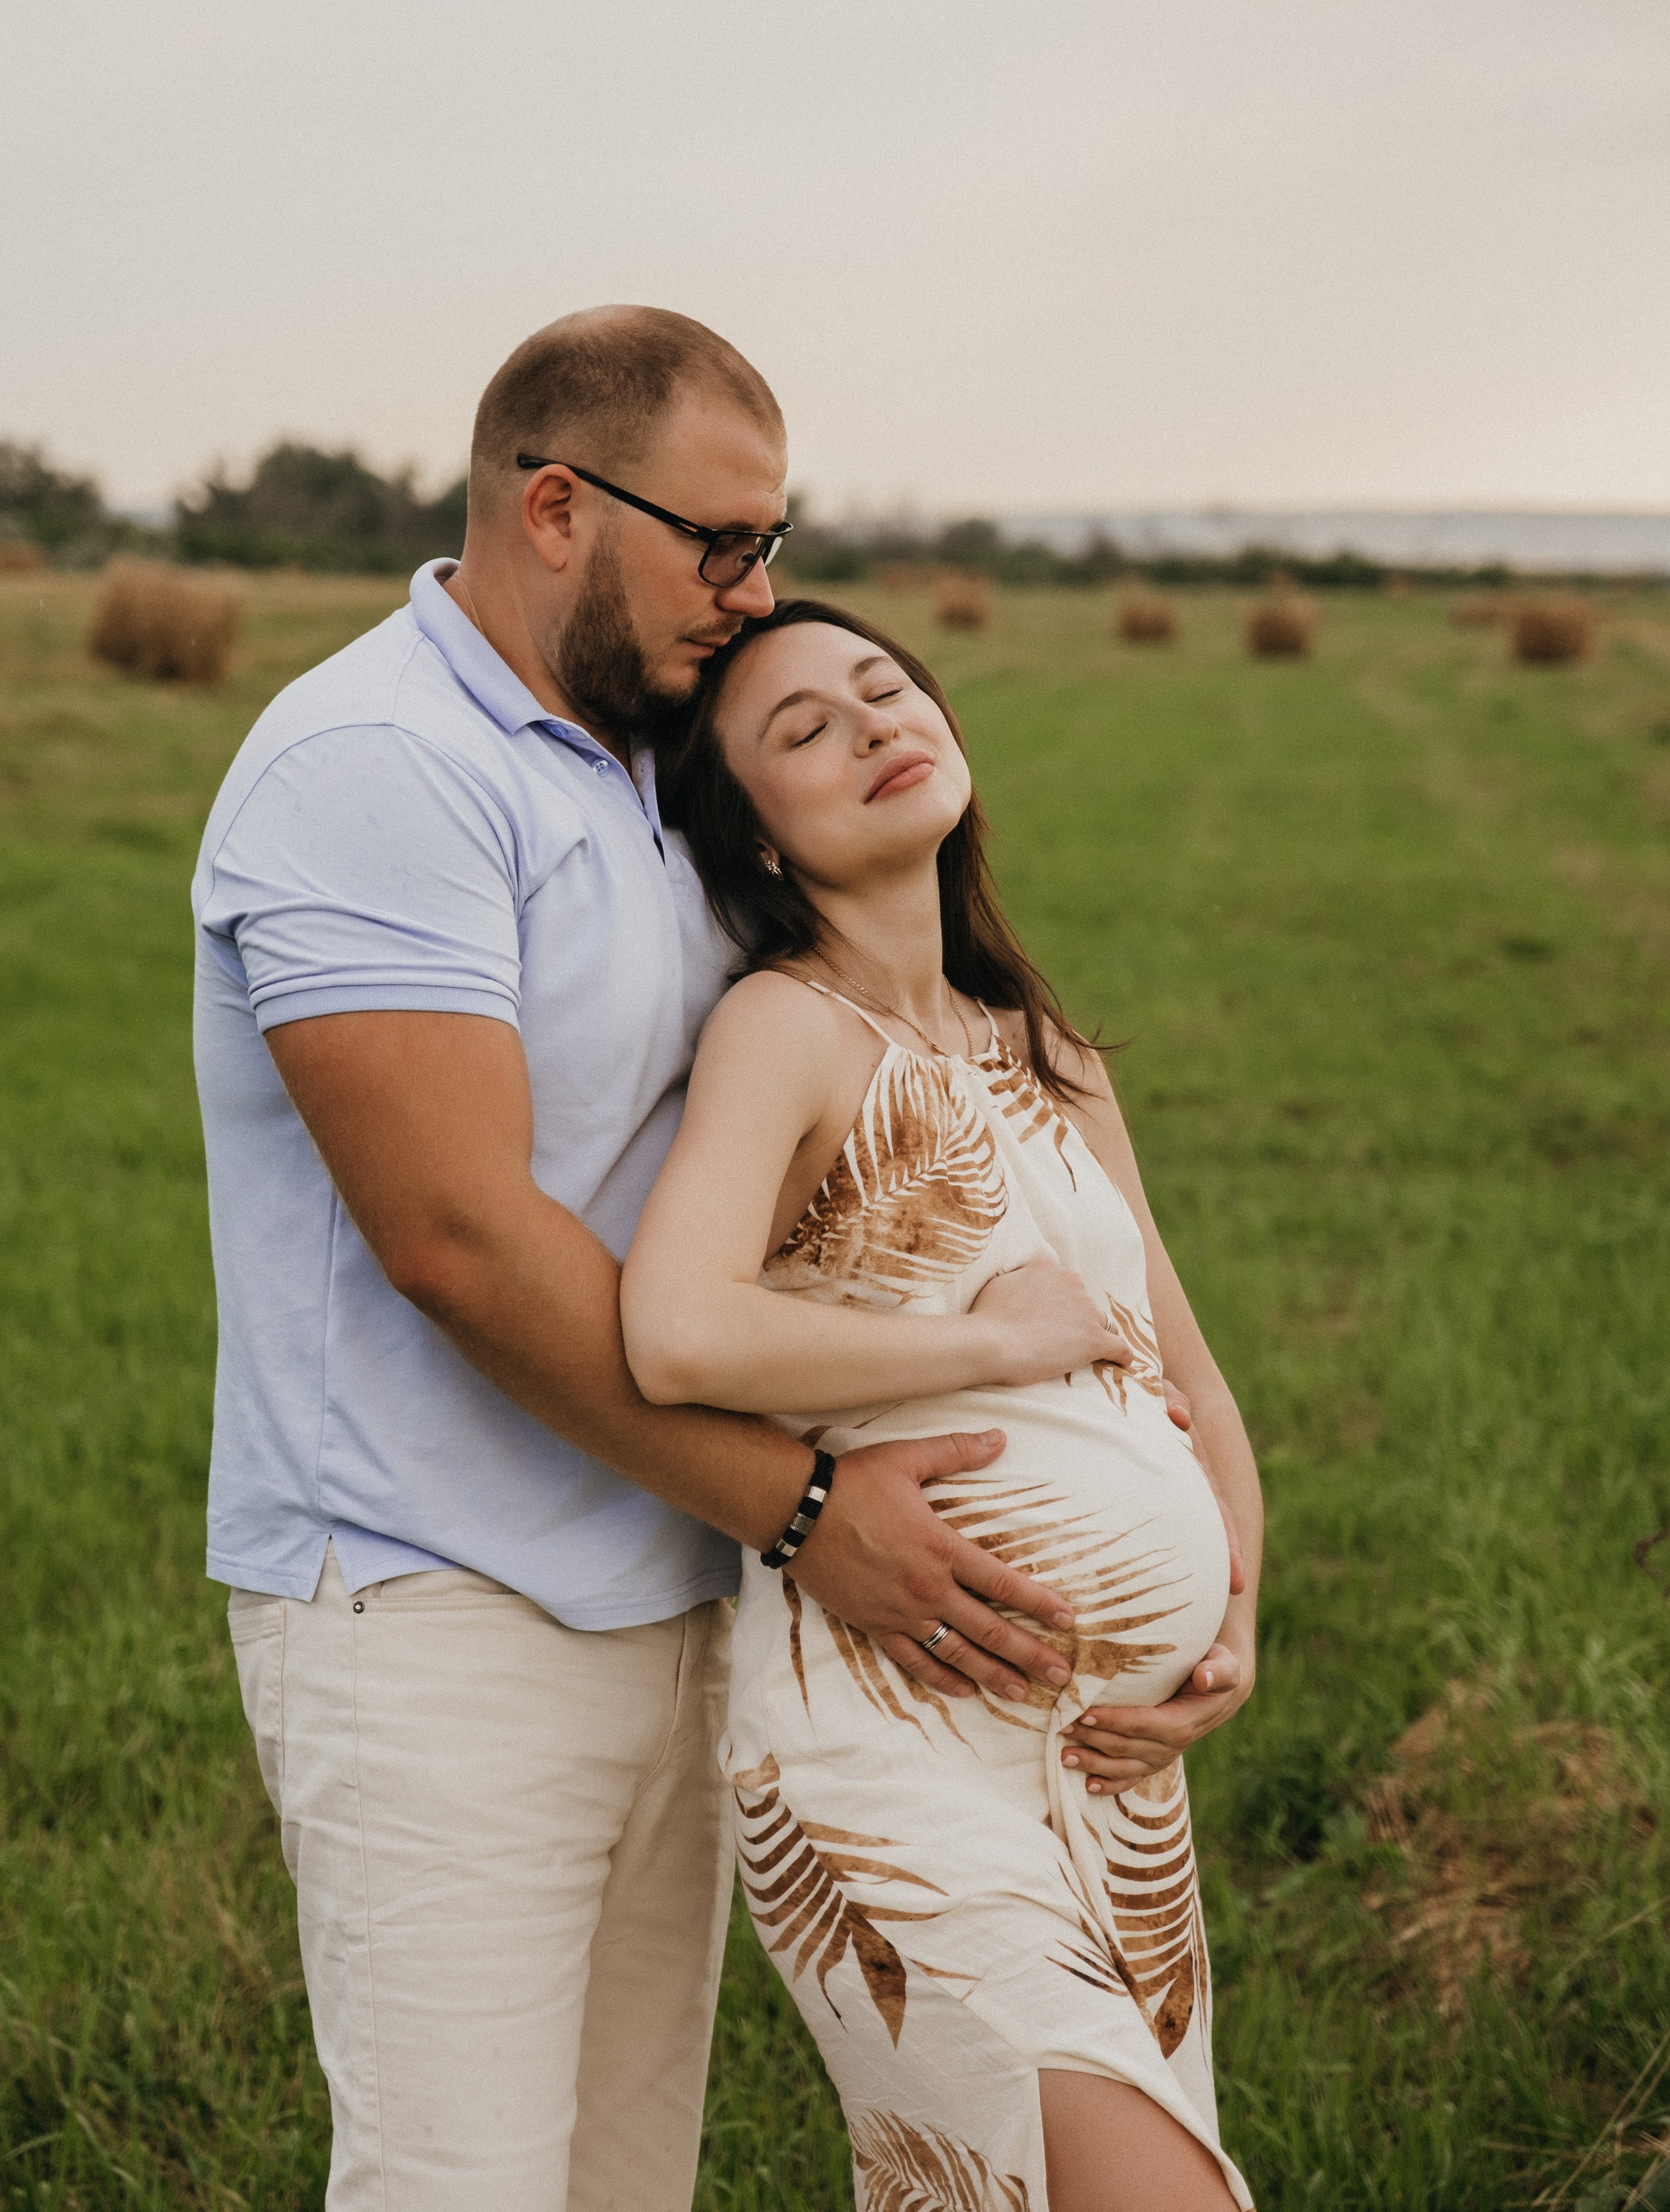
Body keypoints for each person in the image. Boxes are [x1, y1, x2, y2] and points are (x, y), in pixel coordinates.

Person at [192, 306, 1199, 2212]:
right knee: (458, 2189)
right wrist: (812, 1506)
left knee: (618, 2190)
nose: (754, 595)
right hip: (439, 1614)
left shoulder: (649, 772)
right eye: (719, 545)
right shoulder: (371, 765)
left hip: (678, 1599)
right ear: (555, 508)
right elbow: (457, 1240)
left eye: (775, 543)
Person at [624, 598, 1263, 2211]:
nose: (871, 724)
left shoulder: (1047, 1048)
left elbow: (1188, 1375)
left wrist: (1230, 1614)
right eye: (806, 730)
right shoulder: (787, 1029)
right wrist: (987, 1346)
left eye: (885, 687)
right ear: (757, 838)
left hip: (1116, 1777)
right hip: (893, 1745)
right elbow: (678, 1328)